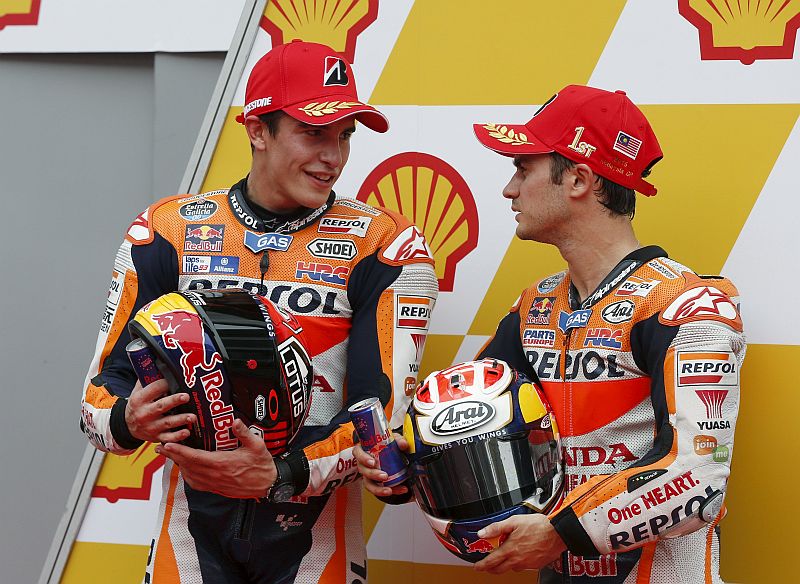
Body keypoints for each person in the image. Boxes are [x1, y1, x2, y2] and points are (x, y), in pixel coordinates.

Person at [79, 40, 438, 584]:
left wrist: (278, 473)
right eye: (314, 132)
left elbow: (380, 420)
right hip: (190, 530)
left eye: (344, 136)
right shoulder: (165, 232)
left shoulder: (386, 246)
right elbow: (96, 400)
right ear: (256, 129)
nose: (333, 157)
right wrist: (129, 419)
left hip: (316, 538)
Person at [357, 85, 744, 583]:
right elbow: (464, 429)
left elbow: (698, 475)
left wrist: (564, 529)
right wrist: (405, 461)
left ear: (579, 179)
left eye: (523, 168)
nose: (508, 189)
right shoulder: (535, 307)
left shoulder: (686, 307)